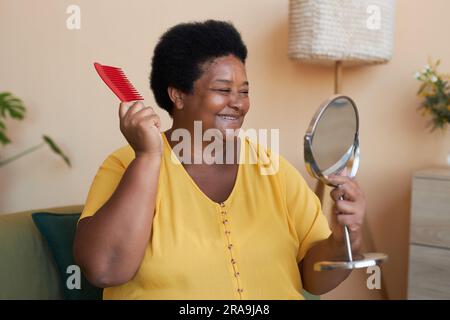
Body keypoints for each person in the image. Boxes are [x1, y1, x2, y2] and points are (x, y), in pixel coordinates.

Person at [73, 20, 366, 300]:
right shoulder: (125, 164)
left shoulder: (273, 170)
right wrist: (148, 157)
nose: (238, 103)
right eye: (223, 90)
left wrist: (342, 242)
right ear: (177, 95)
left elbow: (314, 280)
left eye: (245, 91)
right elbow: (104, 269)